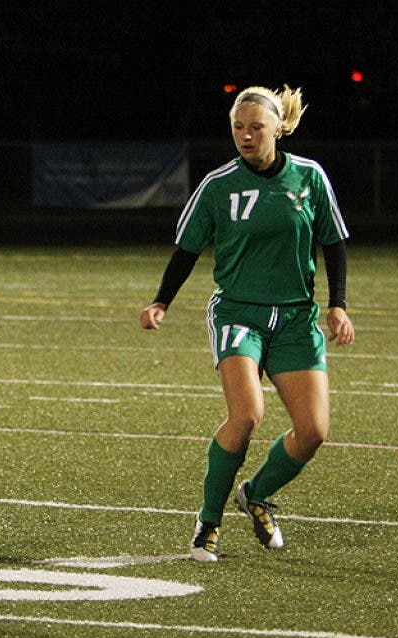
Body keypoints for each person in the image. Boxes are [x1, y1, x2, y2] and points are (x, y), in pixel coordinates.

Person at [139, 85, 355, 562]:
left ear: (279, 127)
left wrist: (337, 305)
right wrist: (161, 302)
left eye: (256, 126)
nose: (246, 135)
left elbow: (333, 242)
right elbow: (187, 250)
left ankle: (254, 494)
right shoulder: (219, 185)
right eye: (239, 127)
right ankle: (207, 523)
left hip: (297, 318)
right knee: (247, 416)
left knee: (313, 431)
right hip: (239, 312)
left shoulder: (309, 177)